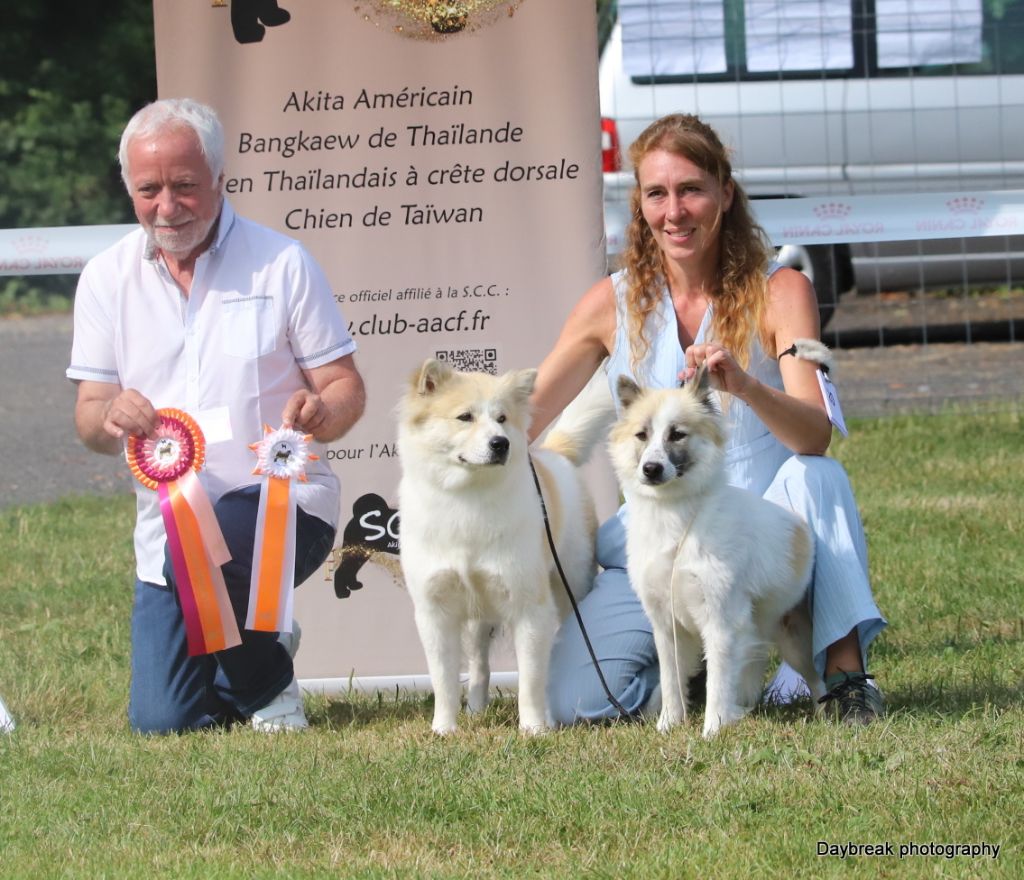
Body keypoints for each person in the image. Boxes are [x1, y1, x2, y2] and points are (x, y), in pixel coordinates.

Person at [531, 113, 886, 726]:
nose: (675, 211)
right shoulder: (607, 303)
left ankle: (844, 676)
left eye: (691, 189)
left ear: (726, 192)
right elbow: (525, 414)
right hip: (654, 534)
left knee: (818, 476)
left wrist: (743, 385)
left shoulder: (783, 291)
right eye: (657, 193)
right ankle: (717, 674)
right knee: (577, 704)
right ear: (640, 203)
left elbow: (814, 433)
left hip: (757, 530)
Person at [67, 98, 366, 734]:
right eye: (149, 190)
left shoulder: (283, 263)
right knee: (163, 723)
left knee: (206, 547)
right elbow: (89, 419)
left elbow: (346, 388)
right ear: (128, 187)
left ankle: (270, 690)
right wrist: (110, 414)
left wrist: (319, 410)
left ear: (221, 180)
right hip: (165, 537)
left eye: (185, 187)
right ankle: (262, 646)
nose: (167, 207)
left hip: (286, 509)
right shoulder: (104, 279)